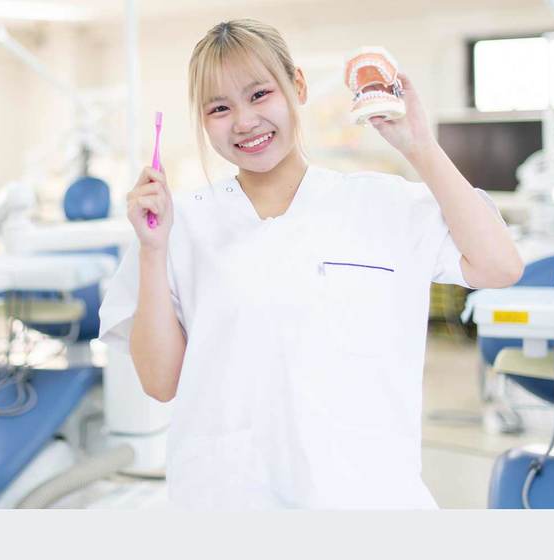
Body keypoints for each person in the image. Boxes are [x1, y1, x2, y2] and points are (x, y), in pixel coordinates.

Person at [98, 18, 523, 509]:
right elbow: (160, 383)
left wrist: (420, 147)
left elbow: (499, 267)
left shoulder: (382, 203)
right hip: (228, 498)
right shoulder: (180, 225)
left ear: (296, 85)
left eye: (259, 95)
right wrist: (153, 250)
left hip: (367, 498)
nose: (244, 121)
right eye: (219, 108)